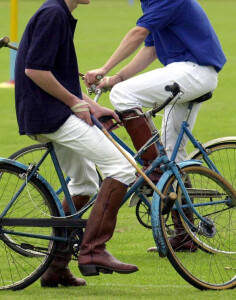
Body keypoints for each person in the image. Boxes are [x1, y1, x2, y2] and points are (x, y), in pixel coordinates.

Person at [14, 0, 139, 288]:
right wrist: (74, 103)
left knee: (84, 184)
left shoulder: (60, 13)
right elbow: (35, 70)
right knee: (121, 168)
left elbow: (61, 76)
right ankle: (94, 251)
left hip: (49, 112)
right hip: (51, 114)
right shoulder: (53, 14)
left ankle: (55, 267)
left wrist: (90, 105)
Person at [84, 0, 226, 251]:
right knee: (173, 155)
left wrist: (105, 68)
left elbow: (138, 34)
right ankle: (185, 235)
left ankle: (155, 171)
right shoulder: (151, 3)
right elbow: (149, 49)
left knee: (122, 95)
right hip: (190, 73)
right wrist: (114, 78)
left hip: (193, 71)